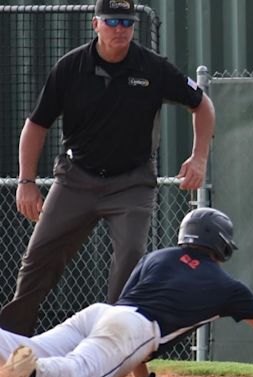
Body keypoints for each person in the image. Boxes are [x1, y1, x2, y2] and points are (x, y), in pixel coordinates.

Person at [1, 0, 214, 339]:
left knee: (131, 255)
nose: (120, 29)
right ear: (95, 24)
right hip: (76, 178)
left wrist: (199, 156)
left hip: (131, 182)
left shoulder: (152, 67)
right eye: (112, 21)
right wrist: (26, 181)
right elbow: (36, 125)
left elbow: (202, 105)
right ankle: (9, 343)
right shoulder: (70, 67)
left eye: (127, 23)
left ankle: (112, 343)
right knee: (37, 258)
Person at [0, 207, 253, 377]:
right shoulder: (227, 287)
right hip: (133, 328)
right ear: (220, 243)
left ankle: (17, 354)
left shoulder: (157, 256)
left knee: (31, 343)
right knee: (80, 374)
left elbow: (122, 319)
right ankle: (33, 373)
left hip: (100, 314)